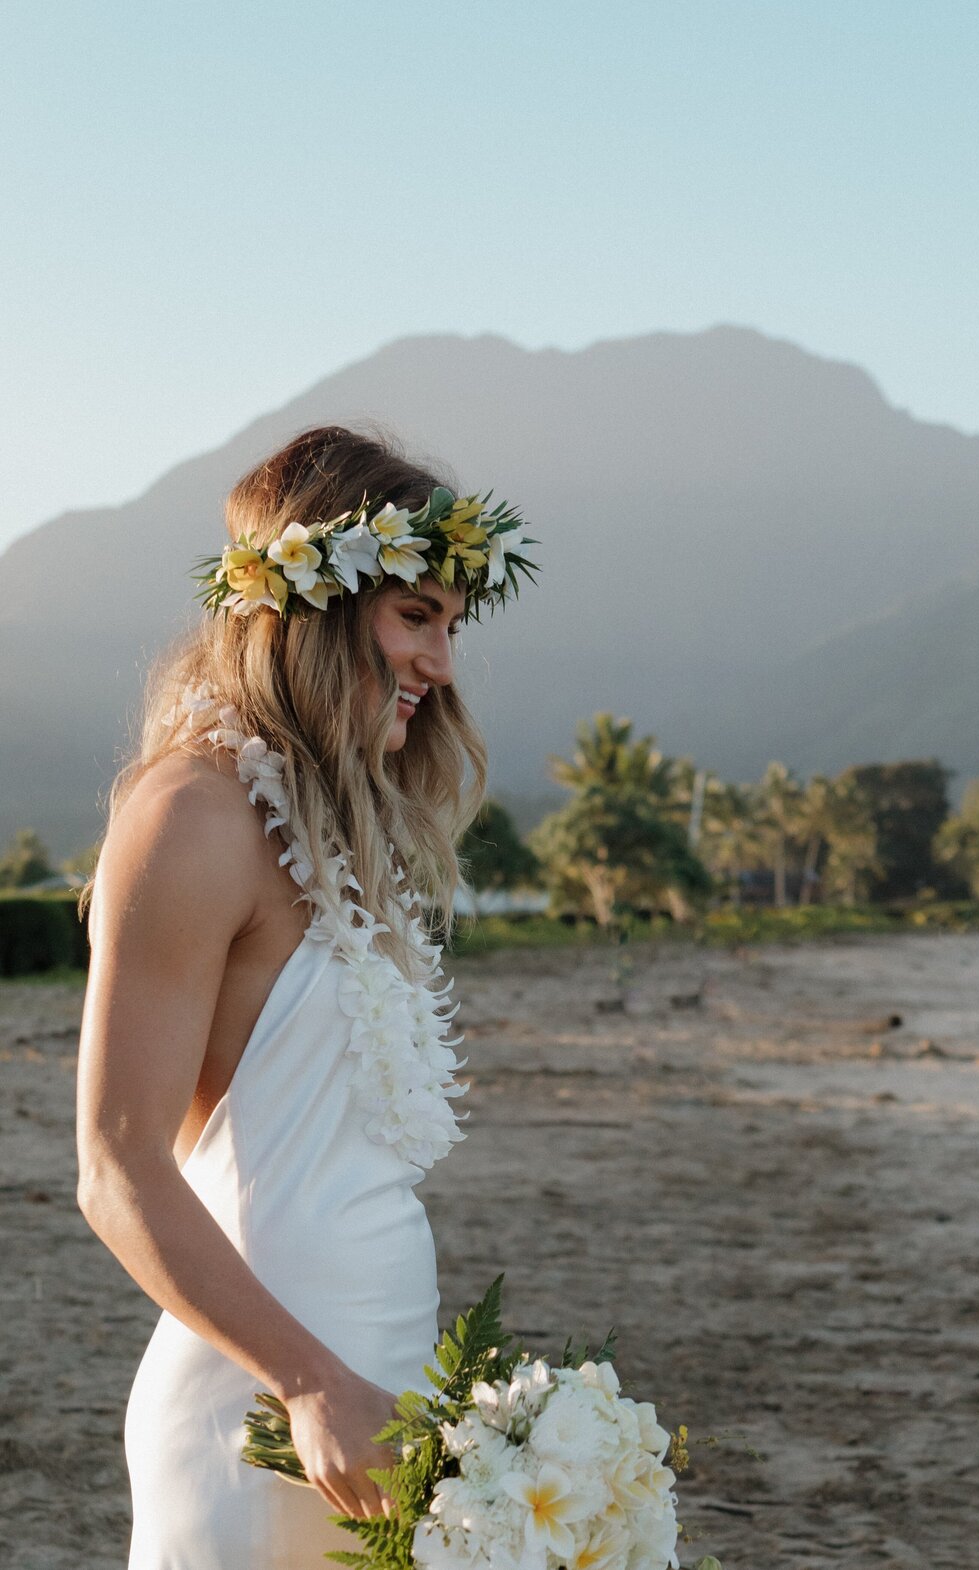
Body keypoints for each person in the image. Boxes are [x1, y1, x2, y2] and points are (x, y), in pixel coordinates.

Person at [74, 425, 538, 1567]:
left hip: (382, 1382)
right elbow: (114, 1166)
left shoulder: (342, 830)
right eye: (416, 617)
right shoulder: (191, 816)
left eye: (451, 625)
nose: (442, 664)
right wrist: (311, 1381)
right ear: (318, 610)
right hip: (267, 1411)